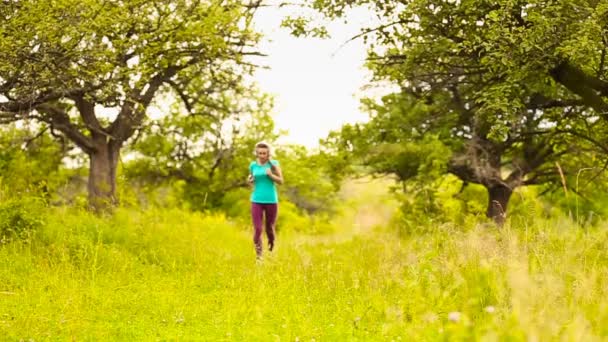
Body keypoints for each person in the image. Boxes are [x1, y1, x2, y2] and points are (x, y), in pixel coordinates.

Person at [248, 141, 283, 259]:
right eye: (260, 153)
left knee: (269, 228)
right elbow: (252, 180)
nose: (262, 156)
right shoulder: (253, 165)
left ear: (268, 154)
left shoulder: (274, 164)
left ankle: (271, 245)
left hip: (271, 200)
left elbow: (281, 181)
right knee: (258, 229)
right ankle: (259, 257)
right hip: (256, 199)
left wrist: (271, 175)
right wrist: (250, 181)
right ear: (256, 153)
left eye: (264, 153)